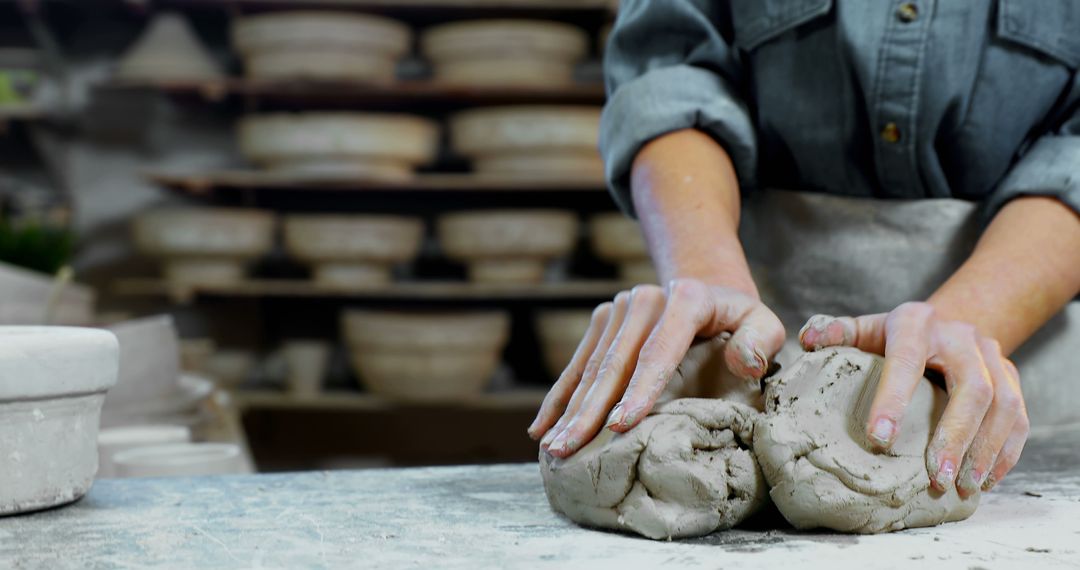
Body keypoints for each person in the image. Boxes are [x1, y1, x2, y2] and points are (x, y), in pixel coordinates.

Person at [529, 0, 1080, 498]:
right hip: (753, 332)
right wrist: (706, 273)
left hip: (1006, 354)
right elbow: (670, 72)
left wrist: (967, 321)